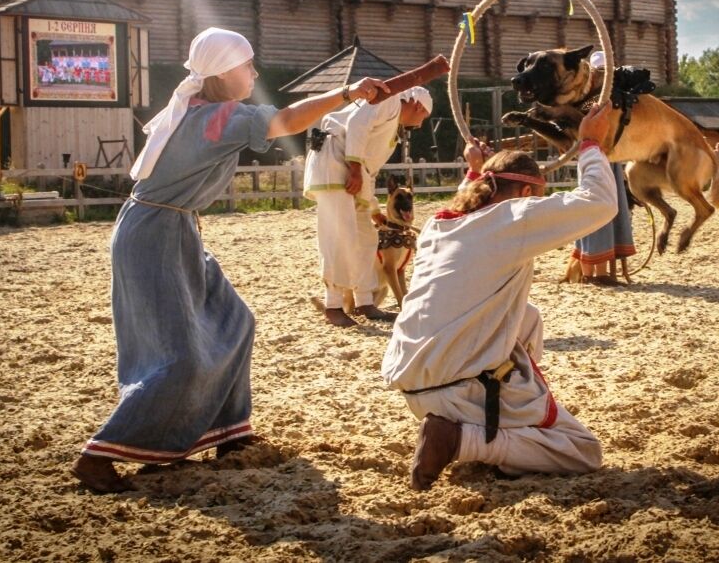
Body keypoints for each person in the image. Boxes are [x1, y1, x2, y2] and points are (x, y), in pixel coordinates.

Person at [72, 27, 391, 493]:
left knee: (234, 320)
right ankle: (99, 455)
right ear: (223, 73)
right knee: (178, 356)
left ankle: (227, 432)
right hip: (154, 235)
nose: (254, 73)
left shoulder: (204, 111)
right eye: (247, 66)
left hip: (169, 228)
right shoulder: (219, 118)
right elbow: (287, 120)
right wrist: (346, 91)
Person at [381, 102, 618, 491]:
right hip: (456, 390)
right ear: (525, 193)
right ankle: (463, 439)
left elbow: (471, 196)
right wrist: (590, 144)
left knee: (528, 317)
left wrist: (474, 167)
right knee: (583, 450)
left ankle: (491, 418)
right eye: (535, 197)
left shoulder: (439, 226)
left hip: (415, 387)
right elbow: (600, 203)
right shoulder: (515, 216)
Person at [304, 86, 432, 327]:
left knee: (366, 239)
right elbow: (356, 125)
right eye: (423, 116)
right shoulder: (390, 100)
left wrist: (373, 209)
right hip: (335, 169)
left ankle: (365, 301)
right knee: (338, 238)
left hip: (352, 175)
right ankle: (333, 306)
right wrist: (353, 166)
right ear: (418, 105)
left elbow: (369, 169)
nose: (421, 123)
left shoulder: (392, 123)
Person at [570, 51, 635, 285]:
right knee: (594, 210)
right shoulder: (586, 101)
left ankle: (600, 273)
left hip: (609, 157)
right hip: (594, 154)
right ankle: (592, 274)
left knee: (610, 211)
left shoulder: (613, 100)